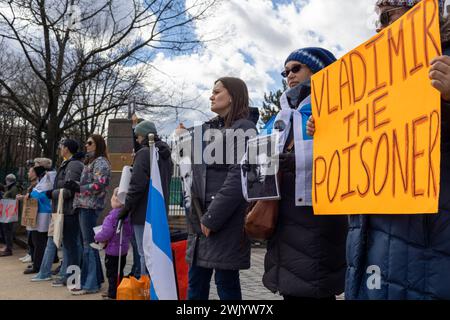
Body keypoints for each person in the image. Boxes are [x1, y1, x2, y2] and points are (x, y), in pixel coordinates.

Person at [307, 0, 450, 300]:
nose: (379, 27)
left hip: (428, 248)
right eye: (378, 18)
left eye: (387, 16)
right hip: (367, 243)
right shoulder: (374, 78)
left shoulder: (442, 63)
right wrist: (329, 130)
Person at [260, 48, 348, 300]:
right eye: (285, 71)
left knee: (314, 289)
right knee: (291, 290)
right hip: (282, 216)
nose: (289, 75)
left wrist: (288, 161)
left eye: (296, 68)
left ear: (320, 70)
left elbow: (343, 158)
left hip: (317, 218)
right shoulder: (279, 118)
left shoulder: (337, 110)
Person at [185, 77, 257, 300]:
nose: (211, 96)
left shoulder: (245, 128)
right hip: (201, 220)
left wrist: (212, 217)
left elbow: (240, 176)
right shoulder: (211, 130)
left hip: (223, 221)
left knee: (225, 283)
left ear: (233, 96)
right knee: (196, 282)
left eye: (217, 91)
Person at [118, 120, 173, 278]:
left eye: (137, 136)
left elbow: (137, 185)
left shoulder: (144, 153)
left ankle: (145, 288)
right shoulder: (165, 156)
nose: (136, 139)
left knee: (144, 253)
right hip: (159, 208)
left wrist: (126, 207)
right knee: (155, 252)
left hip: (143, 210)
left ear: (144, 136)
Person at [31, 139, 84, 284]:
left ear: (66, 149)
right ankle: (65, 275)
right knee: (66, 245)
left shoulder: (73, 165)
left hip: (68, 210)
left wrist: (51, 194)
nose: (60, 149)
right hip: (62, 209)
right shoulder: (68, 163)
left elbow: (69, 190)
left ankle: (69, 277)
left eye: (61, 147)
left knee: (70, 246)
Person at [68, 135, 111, 295]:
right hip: (84, 204)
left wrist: (78, 188)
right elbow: (92, 183)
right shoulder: (92, 161)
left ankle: (90, 284)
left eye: (90, 143)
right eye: (85, 142)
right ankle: (95, 280)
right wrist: (76, 185)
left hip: (90, 206)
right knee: (89, 244)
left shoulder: (101, 162)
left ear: (98, 145)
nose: (86, 145)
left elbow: (99, 184)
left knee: (89, 245)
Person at [95, 188, 133, 300]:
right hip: (123, 249)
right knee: (119, 272)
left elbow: (106, 233)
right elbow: (130, 232)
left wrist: (97, 236)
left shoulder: (111, 217)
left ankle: (112, 294)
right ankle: (118, 290)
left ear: (115, 201)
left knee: (111, 274)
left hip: (112, 250)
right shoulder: (128, 216)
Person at [21, 158, 55, 274]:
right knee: (36, 240)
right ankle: (37, 263)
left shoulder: (49, 177)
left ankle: (38, 266)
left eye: (35, 165)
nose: (33, 168)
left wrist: (31, 195)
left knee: (40, 241)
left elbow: (43, 194)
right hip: (39, 212)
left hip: (44, 213)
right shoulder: (43, 178)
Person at [0, 175, 19, 257]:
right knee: (6, 230)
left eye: (7, 180)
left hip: (10, 213)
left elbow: (13, 200)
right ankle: (7, 247)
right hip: (7, 212)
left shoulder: (14, 188)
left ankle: (9, 249)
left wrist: (4, 197)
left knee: (8, 231)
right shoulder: (10, 188)